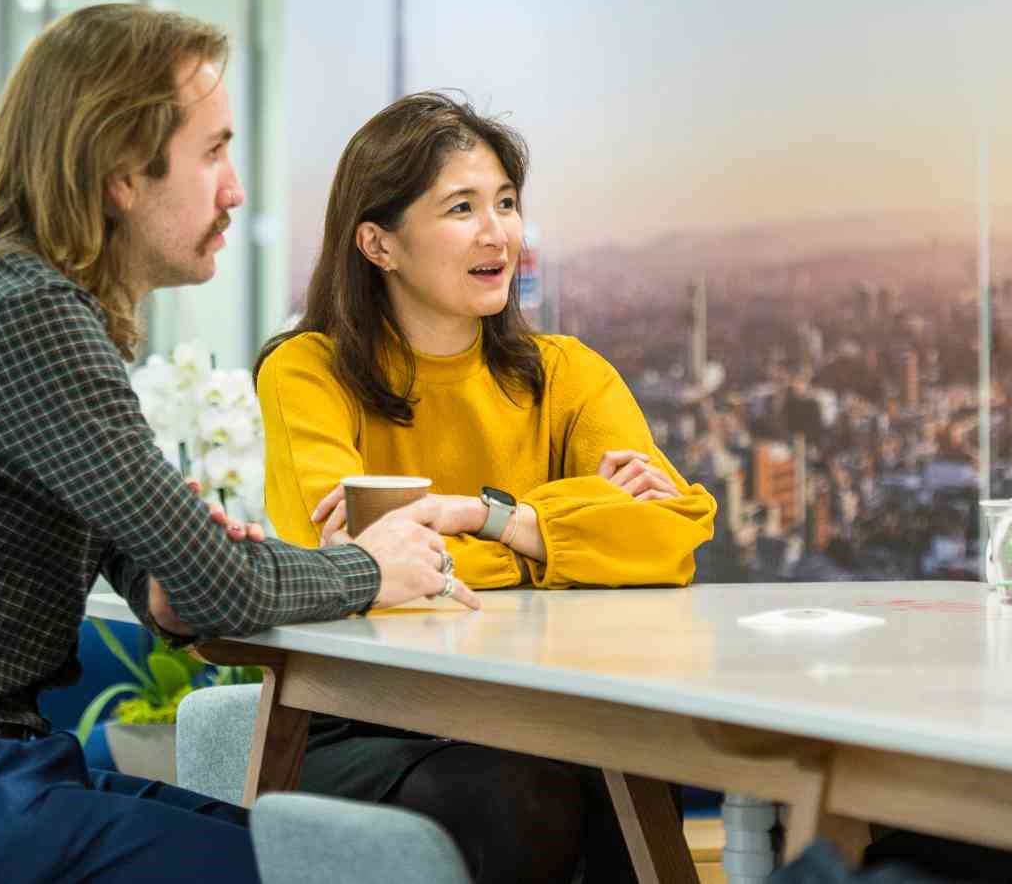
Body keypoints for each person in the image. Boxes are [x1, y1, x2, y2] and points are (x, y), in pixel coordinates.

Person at [0, 5, 477, 884]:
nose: (235, 189)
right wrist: (373, 568)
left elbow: (175, 575)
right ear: (124, 172)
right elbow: (224, 584)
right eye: (213, 152)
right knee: (307, 871)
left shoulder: (4, 298)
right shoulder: (24, 315)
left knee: (299, 852)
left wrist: (163, 584)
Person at [256, 91, 718, 883]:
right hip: (370, 718)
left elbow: (674, 537)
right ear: (378, 243)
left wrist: (488, 518)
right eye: (461, 207)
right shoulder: (308, 372)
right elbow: (354, 563)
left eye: (505, 203)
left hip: (548, 705)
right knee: (534, 786)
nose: (497, 232)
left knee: (623, 766)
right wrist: (569, 536)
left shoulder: (567, 374)